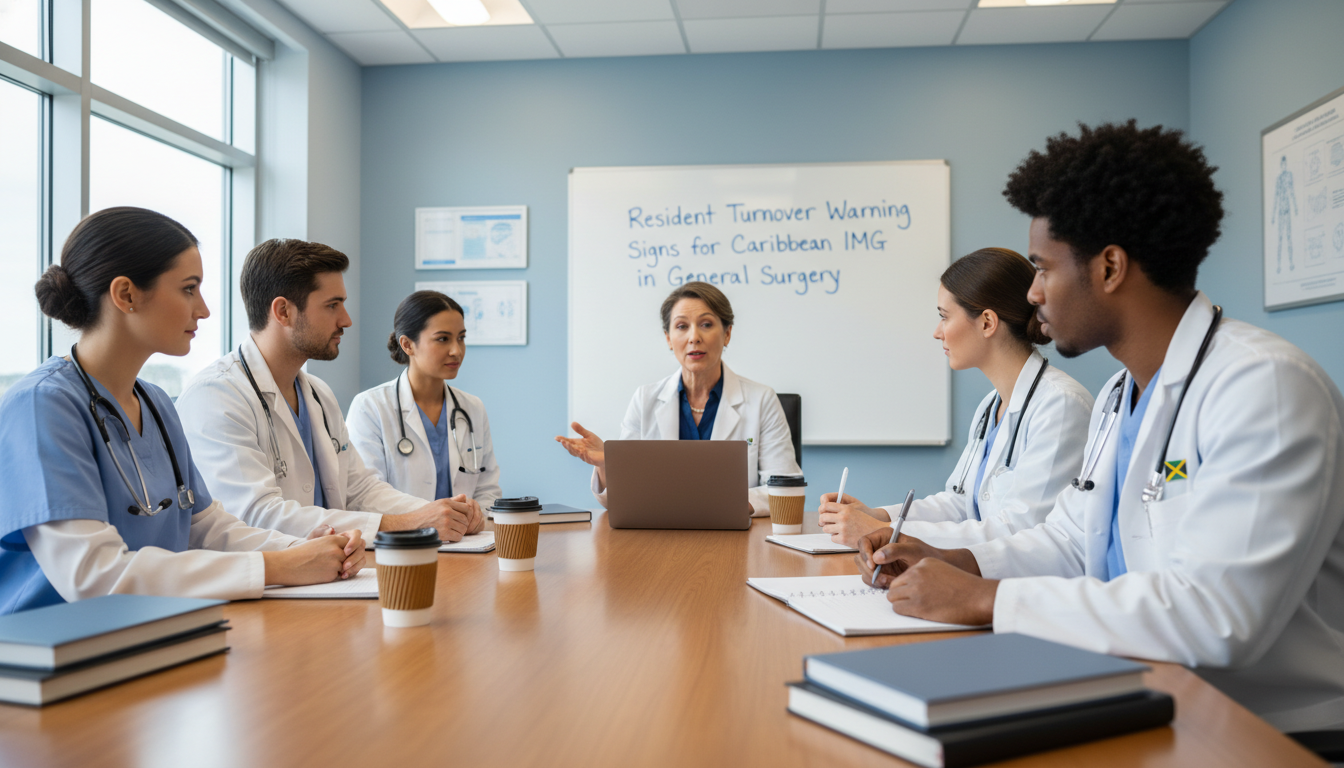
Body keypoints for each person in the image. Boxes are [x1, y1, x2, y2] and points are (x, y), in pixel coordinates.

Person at [855, 121, 1344, 732]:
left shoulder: (1263, 388)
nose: (1031, 293)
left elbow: (1217, 617)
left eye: (1042, 268)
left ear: (1110, 267)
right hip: (1138, 694)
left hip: (1261, 731)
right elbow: (1068, 540)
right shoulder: (1121, 394)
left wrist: (987, 599)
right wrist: (954, 560)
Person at [0, 208, 364, 615]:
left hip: (151, 632)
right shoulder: (42, 406)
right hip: (53, 653)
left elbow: (205, 526)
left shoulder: (155, 403)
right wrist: (279, 564)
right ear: (126, 295)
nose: (204, 309)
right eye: (189, 289)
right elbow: (93, 575)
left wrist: (307, 549)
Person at [175, 239, 484, 545]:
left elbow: (360, 490)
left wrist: (441, 513)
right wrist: (407, 523)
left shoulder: (318, 395)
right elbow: (256, 515)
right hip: (264, 584)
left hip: (329, 573)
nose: (346, 320)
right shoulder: (217, 396)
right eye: (333, 305)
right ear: (283, 311)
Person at [818, 248, 1093, 549]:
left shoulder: (1060, 405)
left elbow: (1019, 531)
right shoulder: (991, 406)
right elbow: (959, 504)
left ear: (987, 322)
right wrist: (878, 516)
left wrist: (884, 530)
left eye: (944, 317)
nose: (937, 332)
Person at [556, 282, 800, 515]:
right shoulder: (645, 400)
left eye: (706, 324)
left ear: (727, 334)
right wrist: (607, 465)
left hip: (736, 539)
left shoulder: (762, 400)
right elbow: (621, 499)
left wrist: (717, 507)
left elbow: (788, 489)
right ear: (668, 338)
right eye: (682, 326)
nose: (694, 337)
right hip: (661, 539)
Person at [347, 290, 502, 507]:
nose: (456, 351)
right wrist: (430, 517)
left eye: (461, 338)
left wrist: (477, 516)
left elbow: (487, 490)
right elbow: (367, 494)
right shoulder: (370, 407)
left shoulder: (472, 408)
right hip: (402, 538)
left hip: (467, 539)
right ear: (408, 345)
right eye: (442, 339)